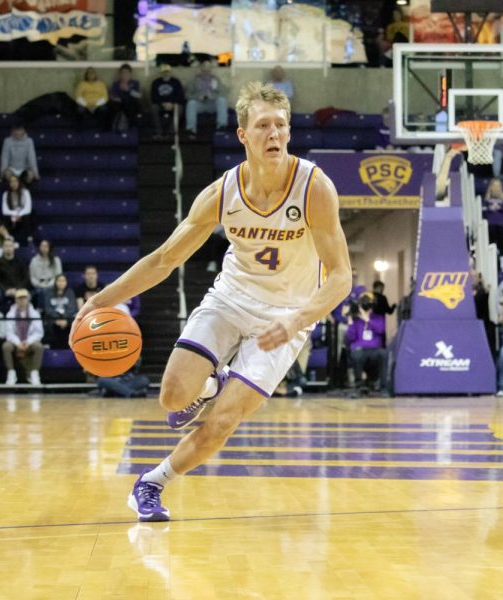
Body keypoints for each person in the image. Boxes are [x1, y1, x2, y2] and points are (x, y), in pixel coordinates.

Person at [69, 81, 352, 522]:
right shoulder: (223, 193)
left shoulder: (314, 187)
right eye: (262, 126)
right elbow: (164, 260)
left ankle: (152, 482)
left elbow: (341, 277)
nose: (274, 134)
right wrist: (98, 302)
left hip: (285, 318)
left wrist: (299, 319)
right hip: (231, 298)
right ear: (243, 135)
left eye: (281, 125)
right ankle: (208, 384)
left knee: (221, 423)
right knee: (171, 397)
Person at [345, 292, 386, 395]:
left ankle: (381, 384)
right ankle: (359, 384)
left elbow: (381, 330)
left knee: (383, 354)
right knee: (357, 355)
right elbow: (351, 337)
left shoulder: (378, 318)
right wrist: (350, 320)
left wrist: (367, 319)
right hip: (360, 349)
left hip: (374, 349)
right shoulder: (356, 320)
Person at [3, 288, 43, 386]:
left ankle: (34, 373)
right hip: (15, 341)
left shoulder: (35, 313)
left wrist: (28, 342)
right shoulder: (10, 314)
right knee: (6, 346)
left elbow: (39, 332)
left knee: (39, 346)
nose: (22, 301)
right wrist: (18, 343)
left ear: (28, 299)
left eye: (24, 298)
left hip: (29, 341)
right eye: (19, 298)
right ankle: (11, 373)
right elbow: (9, 332)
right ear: (16, 300)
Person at [185, 60, 228, 136]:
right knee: (191, 103)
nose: (206, 72)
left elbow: (223, 93)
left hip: (212, 103)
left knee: (222, 100)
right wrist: (197, 97)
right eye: (204, 70)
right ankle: (191, 129)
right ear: (201, 70)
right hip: (200, 103)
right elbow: (187, 94)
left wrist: (213, 96)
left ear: (211, 70)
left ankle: (221, 126)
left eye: (208, 70)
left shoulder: (216, 80)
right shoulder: (194, 80)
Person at [0, 238, 29, 311]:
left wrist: (17, 289)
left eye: (10, 246)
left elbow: (26, 278)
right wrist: (5, 290)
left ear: (13, 247)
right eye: (6, 246)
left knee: (27, 295)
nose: (8, 248)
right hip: (2, 289)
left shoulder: (21, 261)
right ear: (3, 248)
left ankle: (23, 318)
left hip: (18, 288)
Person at [150, 64, 185, 139]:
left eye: (167, 72)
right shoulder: (156, 82)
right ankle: (158, 131)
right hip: (160, 104)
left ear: (170, 72)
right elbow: (153, 97)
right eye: (164, 72)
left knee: (179, 108)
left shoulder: (176, 82)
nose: (166, 74)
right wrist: (162, 104)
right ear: (161, 73)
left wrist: (172, 104)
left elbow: (180, 96)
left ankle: (171, 132)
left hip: (173, 104)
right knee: (153, 108)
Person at [43, 273, 76, 349]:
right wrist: (57, 319)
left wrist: (64, 319)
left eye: (63, 281)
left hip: (67, 319)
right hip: (53, 319)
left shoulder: (70, 292)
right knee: (49, 322)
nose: (61, 283)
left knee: (72, 322)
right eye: (59, 281)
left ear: (66, 282)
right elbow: (48, 309)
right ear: (55, 282)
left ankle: (69, 347)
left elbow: (73, 308)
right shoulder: (49, 293)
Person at [108, 63, 142, 132]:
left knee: (133, 105)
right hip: (119, 103)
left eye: (126, 73)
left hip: (131, 103)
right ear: (120, 74)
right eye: (123, 73)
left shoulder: (135, 83)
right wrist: (114, 98)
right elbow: (112, 95)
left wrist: (128, 90)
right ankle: (112, 129)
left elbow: (139, 95)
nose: (124, 75)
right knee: (111, 106)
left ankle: (132, 129)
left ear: (130, 73)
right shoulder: (116, 83)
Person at [29, 239, 62, 309]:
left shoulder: (56, 260)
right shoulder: (34, 260)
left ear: (49, 248)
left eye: (46, 246)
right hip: (38, 285)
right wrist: (39, 284)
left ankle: (44, 309)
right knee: (41, 291)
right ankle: (42, 310)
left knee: (45, 291)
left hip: (52, 285)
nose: (44, 248)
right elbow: (32, 277)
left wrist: (49, 284)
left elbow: (58, 276)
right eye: (42, 246)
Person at [1, 174, 33, 245]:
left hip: (22, 215)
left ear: (19, 182)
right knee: (5, 218)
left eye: (15, 181)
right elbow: (5, 210)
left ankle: (27, 239)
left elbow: (28, 208)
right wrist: (14, 215)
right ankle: (9, 240)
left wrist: (19, 215)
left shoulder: (25, 192)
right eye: (11, 182)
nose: (13, 184)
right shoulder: (6, 194)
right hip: (11, 216)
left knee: (28, 217)